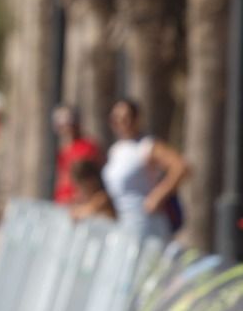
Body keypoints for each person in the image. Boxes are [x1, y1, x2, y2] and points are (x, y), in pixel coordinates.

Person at [101, 98, 189, 241]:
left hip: (145, 224)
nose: (121, 123)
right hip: (123, 223)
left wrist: (159, 195)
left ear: (135, 119)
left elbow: (180, 167)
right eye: (116, 118)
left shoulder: (146, 146)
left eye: (125, 118)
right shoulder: (116, 150)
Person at [52, 105, 103, 205]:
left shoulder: (88, 147)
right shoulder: (63, 151)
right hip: (61, 202)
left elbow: (92, 181)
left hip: (80, 204)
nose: (66, 127)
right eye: (61, 124)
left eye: (69, 123)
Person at [67, 157, 117, 222]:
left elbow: (81, 214)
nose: (79, 189)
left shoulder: (103, 198)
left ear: (91, 181)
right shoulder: (87, 200)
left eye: (80, 185)